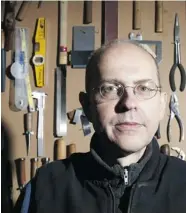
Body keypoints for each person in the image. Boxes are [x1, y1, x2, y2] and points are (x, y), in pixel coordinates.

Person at [14, 40, 186, 213]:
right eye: (110, 88)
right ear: (87, 106)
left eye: (143, 88)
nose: (129, 103)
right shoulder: (45, 187)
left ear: (162, 105)